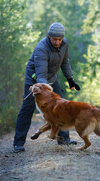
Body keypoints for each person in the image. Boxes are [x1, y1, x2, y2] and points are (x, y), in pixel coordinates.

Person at [13, 23, 81, 153]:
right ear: (49, 36)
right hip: (35, 80)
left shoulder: (64, 44)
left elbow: (65, 62)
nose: (57, 42)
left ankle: (63, 138)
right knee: (27, 108)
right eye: (54, 39)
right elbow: (41, 76)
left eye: (59, 39)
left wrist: (70, 79)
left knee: (61, 105)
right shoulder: (41, 49)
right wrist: (46, 94)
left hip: (51, 78)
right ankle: (18, 143)